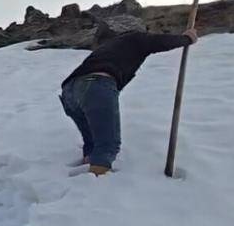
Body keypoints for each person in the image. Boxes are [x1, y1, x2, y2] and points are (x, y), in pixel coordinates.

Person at [60, 24, 198, 175]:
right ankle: (94, 188)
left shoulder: (108, 47)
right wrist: (186, 38)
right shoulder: (134, 38)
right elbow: (158, 42)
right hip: (96, 85)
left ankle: (87, 172)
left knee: (93, 142)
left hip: (70, 92)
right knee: (107, 145)